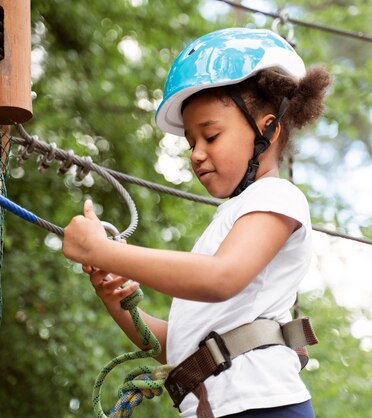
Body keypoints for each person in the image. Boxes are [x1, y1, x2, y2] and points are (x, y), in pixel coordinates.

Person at [62, 27, 331, 418]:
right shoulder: (228, 222)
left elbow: (219, 278)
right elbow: (180, 348)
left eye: (211, 135)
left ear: (268, 130)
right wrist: (118, 303)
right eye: (191, 143)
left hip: (261, 406)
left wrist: (103, 251)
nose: (197, 155)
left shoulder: (278, 197)